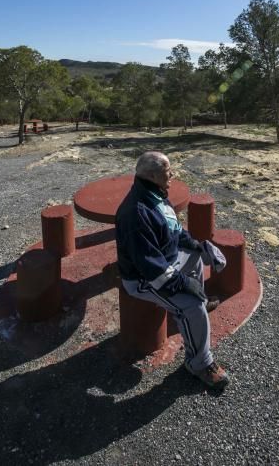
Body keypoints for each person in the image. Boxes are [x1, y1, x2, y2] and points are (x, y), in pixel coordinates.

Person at [115, 150, 229, 389]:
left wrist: (197, 245)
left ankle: (195, 307)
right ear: (154, 175)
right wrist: (186, 285)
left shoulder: (155, 195)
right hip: (142, 279)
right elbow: (151, 269)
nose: (173, 175)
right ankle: (199, 364)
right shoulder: (136, 214)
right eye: (168, 172)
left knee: (195, 256)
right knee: (192, 304)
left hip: (162, 263)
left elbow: (175, 229)